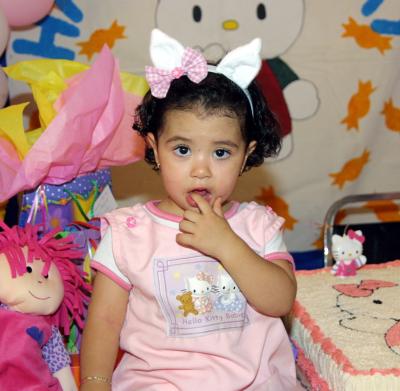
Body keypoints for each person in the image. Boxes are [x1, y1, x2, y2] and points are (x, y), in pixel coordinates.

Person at [80, 29, 298, 391]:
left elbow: (280, 301)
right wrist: (94, 383)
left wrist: (227, 244)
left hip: (255, 382)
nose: (201, 169)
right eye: (182, 150)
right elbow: (103, 320)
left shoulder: (257, 225)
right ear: (154, 147)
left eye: (221, 152)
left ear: (246, 155)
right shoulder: (128, 232)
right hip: (159, 382)